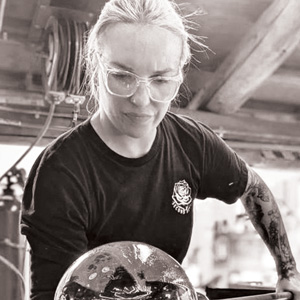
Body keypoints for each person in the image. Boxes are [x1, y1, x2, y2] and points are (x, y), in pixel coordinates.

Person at [21, 0, 300, 299]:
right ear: (94, 65)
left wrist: (288, 272)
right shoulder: (60, 173)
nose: (142, 99)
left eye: (161, 80)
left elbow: (253, 188)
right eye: (122, 76)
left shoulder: (193, 144)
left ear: (179, 75)